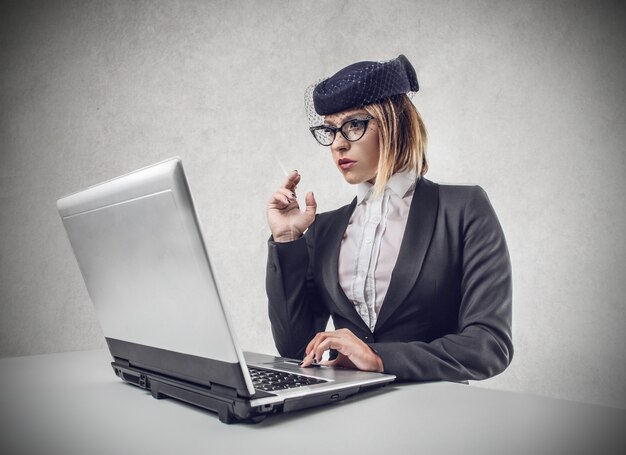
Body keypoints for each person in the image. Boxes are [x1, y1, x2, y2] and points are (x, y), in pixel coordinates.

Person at [265, 55, 513, 382]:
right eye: (330, 130)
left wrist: (380, 358)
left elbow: (489, 346)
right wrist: (286, 240)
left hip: (435, 417)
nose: (338, 144)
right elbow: (296, 351)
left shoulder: (463, 208)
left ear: (395, 123)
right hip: (344, 414)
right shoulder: (323, 229)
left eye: (354, 124)